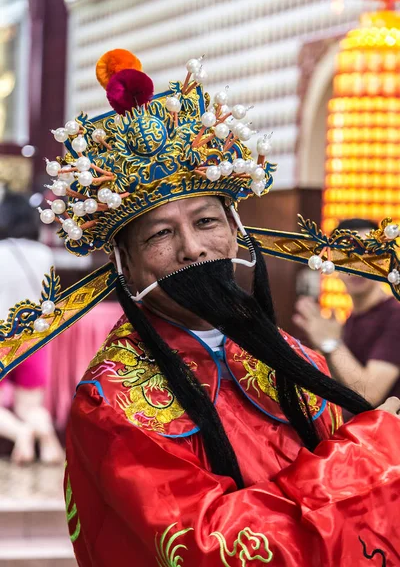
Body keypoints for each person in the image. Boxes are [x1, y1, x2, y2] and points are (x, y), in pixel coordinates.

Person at [1, 49, 400, 566]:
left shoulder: (293, 355)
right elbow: (213, 546)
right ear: (124, 262)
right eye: (162, 234)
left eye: (207, 222)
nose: (192, 248)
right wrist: (371, 455)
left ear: (236, 233)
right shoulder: (116, 404)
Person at [294, 218, 400, 409]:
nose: (357, 266)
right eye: (347, 255)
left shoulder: (396, 316)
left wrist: (331, 343)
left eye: (368, 254)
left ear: (384, 260)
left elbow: (369, 395)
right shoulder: (349, 321)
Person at [0, 189, 64, 464]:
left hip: (2, 335)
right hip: (34, 338)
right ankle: (48, 443)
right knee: (30, 405)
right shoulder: (43, 254)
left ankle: (20, 433)